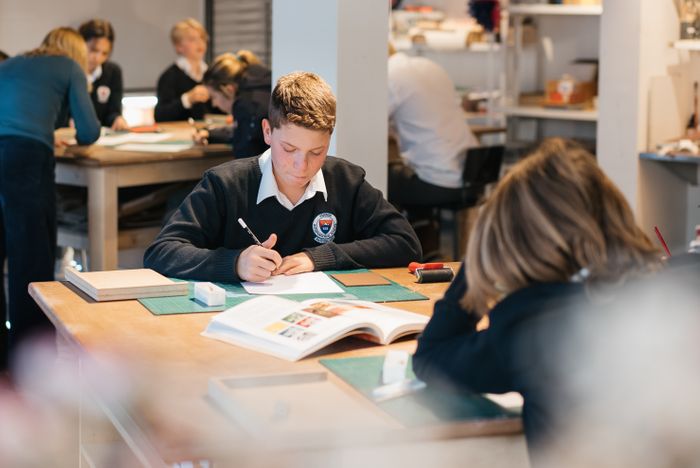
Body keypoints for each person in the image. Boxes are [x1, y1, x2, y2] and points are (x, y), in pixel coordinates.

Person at [412, 139, 668, 459]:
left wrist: (476, 265)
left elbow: (431, 356)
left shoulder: (530, 325)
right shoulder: (665, 298)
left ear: (517, 240)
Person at [144, 71, 421, 283]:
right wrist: (235, 263)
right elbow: (161, 252)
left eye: (317, 152)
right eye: (289, 149)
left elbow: (405, 243)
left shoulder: (346, 180)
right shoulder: (225, 184)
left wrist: (321, 257)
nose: (302, 166)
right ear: (267, 132)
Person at [0, 27, 100, 367]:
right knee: (31, 261)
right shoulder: (69, 66)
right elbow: (89, 131)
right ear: (77, 52)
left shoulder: (11, 64)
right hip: (26, 159)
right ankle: (32, 362)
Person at [387, 45, 479, 208]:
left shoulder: (389, 75)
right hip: (471, 179)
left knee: (367, 181)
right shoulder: (429, 65)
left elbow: (370, 125)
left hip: (435, 181)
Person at [195, 50, 271, 158]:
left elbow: (243, 157)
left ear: (229, 89)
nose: (213, 104)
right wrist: (210, 134)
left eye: (214, 97)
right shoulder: (262, 85)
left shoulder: (246, 105)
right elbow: (243, 132)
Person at [154, 18, 215, 122]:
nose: (200, 43)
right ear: (179, 47)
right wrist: (187, 99)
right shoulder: (169, 77)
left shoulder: (211, 74)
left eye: (202, 38)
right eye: (192, 39)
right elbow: (160, 116)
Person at [78, 19, 128, 130]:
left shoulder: (113, 72)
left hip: (102, 135)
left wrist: (117, 119)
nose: (98, 58)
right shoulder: (69, 71)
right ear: (80, 43)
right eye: (93, 50)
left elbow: (113, 111)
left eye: (105, 53)